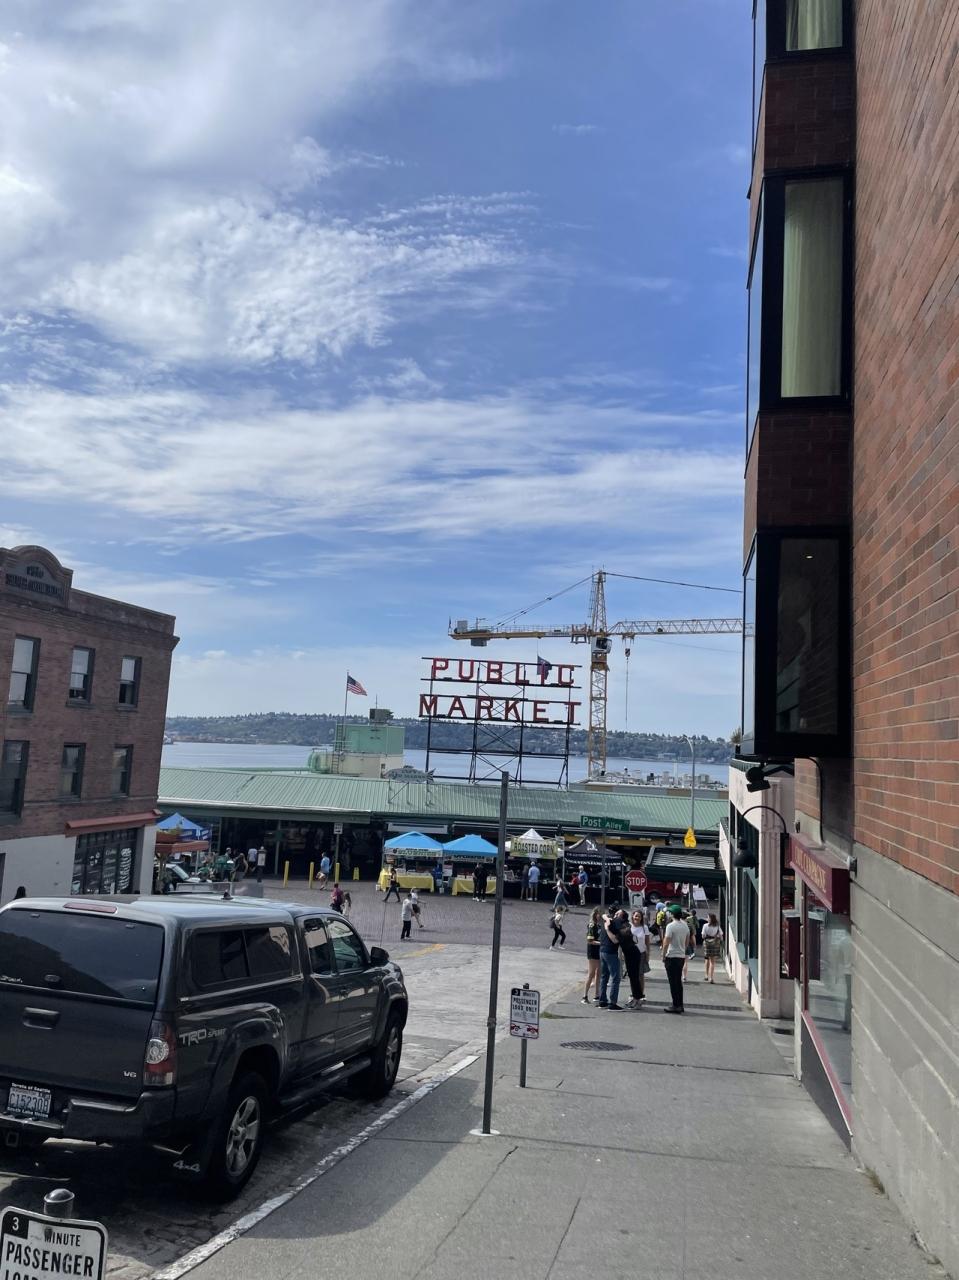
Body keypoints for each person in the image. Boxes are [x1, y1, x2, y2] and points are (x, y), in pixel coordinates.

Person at [661, 905, 690, 1013]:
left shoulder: (670, 926)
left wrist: (663, 955)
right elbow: (687, 942)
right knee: (678, 981)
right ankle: (680, 1004)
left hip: (671, 956)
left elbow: (666, 942)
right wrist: (682, 950)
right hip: (681, 956)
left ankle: (675, 1005)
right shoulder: (685, 926)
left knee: (673, 982)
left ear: (672, 914)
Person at [596, 906, 623, 1010]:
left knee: (604, 976)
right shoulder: (617, 922)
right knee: (615, 978)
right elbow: (615, 940)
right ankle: (612, 1003)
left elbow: (603, 915)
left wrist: (606, 918)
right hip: (611, 952)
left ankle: (602, 1001)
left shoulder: (606, 920)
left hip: (602, 950)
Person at [616, 908, 643, 1008]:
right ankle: (635, 998)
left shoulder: (625, 926)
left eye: (617, 914)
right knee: (632, 977)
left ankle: (637, 999)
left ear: (622, 916)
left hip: (633, 954)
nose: (615, 915)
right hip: (629, 953)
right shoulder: (624, 925)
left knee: (634, 977)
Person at [630, 908, 652, 1001]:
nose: (637, 918)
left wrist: (648, 954)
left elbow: (647, 942)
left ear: (641, 918)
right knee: (632, 975)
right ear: (632, 916)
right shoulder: (629, 926)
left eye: (639, 916)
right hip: (631, 954)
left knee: (640, 975)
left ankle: (641, 994)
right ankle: (634, 994)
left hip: (641, 953)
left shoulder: (644, 927)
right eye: (635, 916)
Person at [582, 907, 602, 1003]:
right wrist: (601, 943)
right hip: (593, 951)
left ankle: (597, 995)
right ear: (595, 914)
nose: (601, 916)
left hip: (599, 950)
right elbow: (590, 940)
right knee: (591, 973)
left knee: (599, 973)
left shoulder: (600, 925)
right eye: (599, 914)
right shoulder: (592, 925)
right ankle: (585, 996)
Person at [702, 912, 723, 983]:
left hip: (707, 944)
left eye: (708, 917)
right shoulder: (717, 926)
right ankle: (711, 978)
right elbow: (721, 935)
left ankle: (706, 975)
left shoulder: (705, 925)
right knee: (712, 961)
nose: (707, 919)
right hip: (714, 944)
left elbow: (703, 936)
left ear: (710, 919)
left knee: (706, 959)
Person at [682, 910, 697, 983]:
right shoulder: (689, 926)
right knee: (685, 962)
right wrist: (694, 945)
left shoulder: (675, 925)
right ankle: (684, 977)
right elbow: (693, 936)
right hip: (687, 945)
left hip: (677, 945)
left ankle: (677, 976)